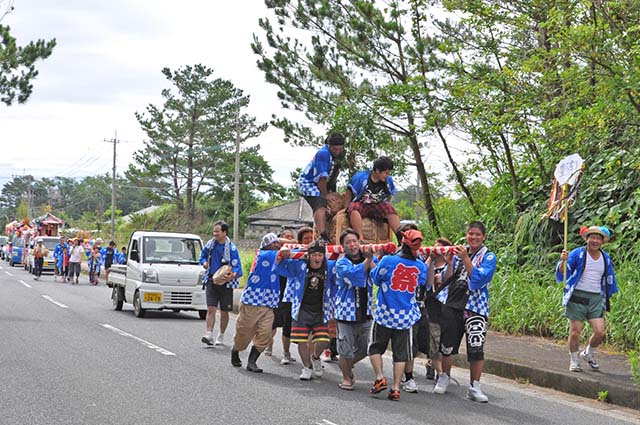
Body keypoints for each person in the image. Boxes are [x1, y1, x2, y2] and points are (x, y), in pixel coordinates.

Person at [434, 221, 497, 403]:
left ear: (483, 236)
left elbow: (479, 279)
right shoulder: (459, 253)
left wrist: (467, 260)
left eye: (477, 234)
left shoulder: (489, 257)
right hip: (453, 304)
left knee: (476, 347)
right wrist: (450, 263)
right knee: (447, 346)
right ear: (466, 235)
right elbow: (445, 279)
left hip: (475, 307)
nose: (473, 237)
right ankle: (444, 376)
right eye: (470, 234)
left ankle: (474, 386)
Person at [368, 228, 428, 401]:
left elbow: (376, 280)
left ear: (402, 242)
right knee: (400, 353)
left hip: (384, 312)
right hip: (405, 316)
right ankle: (395, 388)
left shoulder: (388, 260)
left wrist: (374, 261)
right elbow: (423, 284)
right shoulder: (420, 266)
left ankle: (379, 378)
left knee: (375, 347)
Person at [557, 225, 618, 372]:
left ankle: (588, 353)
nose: (595, 240)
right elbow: (564, 272)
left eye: (598, 238)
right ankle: (574, 360)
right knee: (575, 331)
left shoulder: (605, 258)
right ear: (587, 239)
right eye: (592, 237)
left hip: (596, 298)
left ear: (602, 241)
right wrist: (563, 261)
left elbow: (609, 278)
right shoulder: (577, 253)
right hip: (577, 296)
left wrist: (608, 295)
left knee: (600, 332)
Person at [277, 239, 336, 381]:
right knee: (301, 340)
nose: (317, 258)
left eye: (320, 255)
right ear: (309, 255)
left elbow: (343, 271)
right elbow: (282, 267)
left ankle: (315, 357)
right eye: (314, 255)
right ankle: (306, 367)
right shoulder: (300, 265)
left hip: (321, 309)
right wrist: (281, 255)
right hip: (302, 308)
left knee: (323, 339)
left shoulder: (330, 266)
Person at [231, 233, 282, 372]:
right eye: (274, 243)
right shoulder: (265, 255)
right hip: (252, 302)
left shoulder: (275, 257)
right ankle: (236, 350)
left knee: (265, 334)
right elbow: (285, 252)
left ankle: (252, 362)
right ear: (267, 245)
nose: (278, 245)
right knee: (244, 334)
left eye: (278, 243)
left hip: (269, 303)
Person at [334, 228, 375, 390]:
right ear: (343, 247)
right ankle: (346, 377)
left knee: (365, 349)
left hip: (365, 312)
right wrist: (369, 259)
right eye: (348, 243)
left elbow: (379, 275)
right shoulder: (341, 262)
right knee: (345, 349)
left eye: (354, 241)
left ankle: (345, 364)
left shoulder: (369, 259)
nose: (352, 245)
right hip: (346, 313)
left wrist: (371, 258)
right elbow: (354, 276)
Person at [200, 221, 243, 346]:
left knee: (224, 311)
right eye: (214, 231)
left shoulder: (232, 248)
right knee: (211, 308)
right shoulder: (210, 245)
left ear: (224, 232)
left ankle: (222, 334)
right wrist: (204, 263)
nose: (215, 234)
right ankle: (209, 334)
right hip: (211, 280)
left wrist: (231, 276)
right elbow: (202, 257)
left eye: (217, 231)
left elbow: (237, 268)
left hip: (226, 284)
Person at [298, 133, 346, 242]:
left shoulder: (336, 155)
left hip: (319, 183)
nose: (338, 151)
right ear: (329, 145)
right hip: (308, 183)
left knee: (328, 204)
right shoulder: (323, 154)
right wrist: (325, 195)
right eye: (335, 149)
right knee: (320, 204)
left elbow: (331, 177)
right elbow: (322, 179)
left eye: (340, 149)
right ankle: (322, 236)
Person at [346, 156, 400, 243]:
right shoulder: (360, 177)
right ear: (377, 170)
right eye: (386, 173)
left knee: (390, 209)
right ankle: (360, 238)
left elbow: (389, 195)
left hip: (377, 204)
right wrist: (345, 207)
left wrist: (385, 208)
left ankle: (401, 237)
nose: (387, 175)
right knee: (353, 208)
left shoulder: (388, 181)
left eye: (389, 173)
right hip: (362, 203)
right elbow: (349, 191)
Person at [423, 237, 452, 381]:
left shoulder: (450, 266)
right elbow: (426, 282)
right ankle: (440, 373)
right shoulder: (429, 264)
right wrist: (430, 259)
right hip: (432, 309)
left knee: (445, 343)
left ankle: (431, 364)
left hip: (448, 310)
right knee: (434, 342)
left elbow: (451, 280)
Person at [265, 229, 296, 364]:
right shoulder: (274, 253)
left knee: (287, 326)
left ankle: (286, 353)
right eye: (286, 237)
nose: (289, 239)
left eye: (291, 237)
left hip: (289, 295)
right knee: (272, 324)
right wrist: (290, 242)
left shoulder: (295, 254)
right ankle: (269, 346)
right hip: (274, 293)